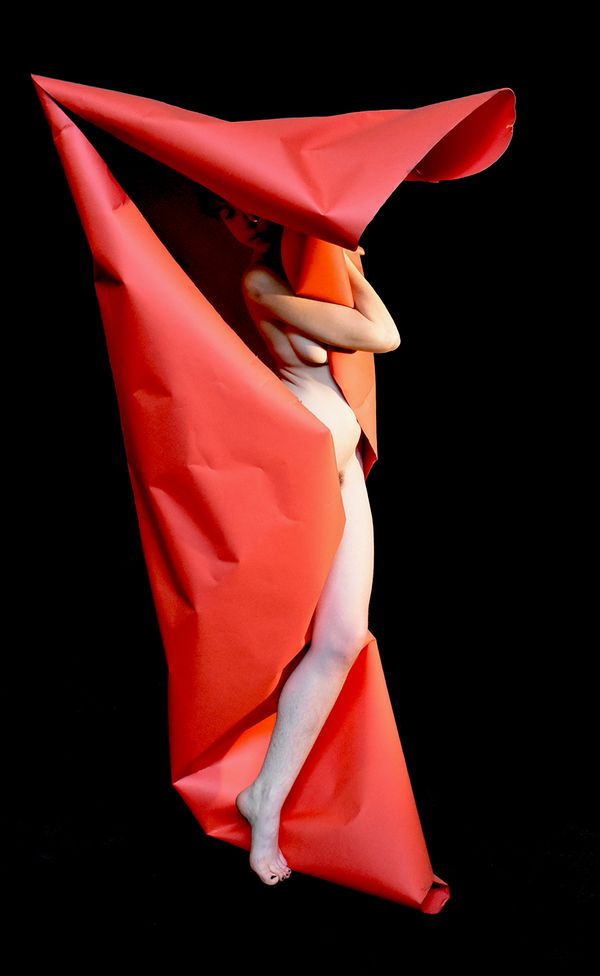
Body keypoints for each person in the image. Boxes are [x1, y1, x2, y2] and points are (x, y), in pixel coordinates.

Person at [204, 193, 401, 885]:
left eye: (250, 205)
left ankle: (265, 797)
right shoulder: (261, 281)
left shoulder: (305, 275)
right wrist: (352, 270)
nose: (246, 220)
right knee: (280, 637)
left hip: (341, 468)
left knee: (343, 638)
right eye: (228, 213)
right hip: (305, 472)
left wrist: (342, 263)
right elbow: (382, 336)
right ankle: (253, 802)